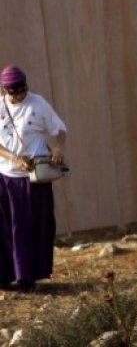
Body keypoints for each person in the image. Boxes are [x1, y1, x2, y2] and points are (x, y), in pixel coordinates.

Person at [0, 65, 66, 292]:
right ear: (5, 89)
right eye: (14, 92)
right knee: (6, 228)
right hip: (6, 177)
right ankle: (5, 275)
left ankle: (27, 277)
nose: (19, 95)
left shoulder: (38, 104)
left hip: (34, 178)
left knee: (32, 226)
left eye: (22, 90)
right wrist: (14, 158)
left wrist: (58, 147)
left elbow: (59, 129)